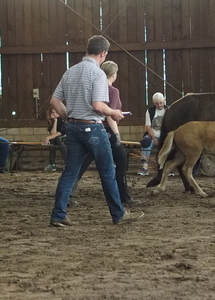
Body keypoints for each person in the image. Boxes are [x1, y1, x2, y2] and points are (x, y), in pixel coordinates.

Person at [49, 35, 143, 226]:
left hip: (73, 127)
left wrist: (68, 117)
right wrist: (114, 112)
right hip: (92, 128)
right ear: (103, 53)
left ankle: (58, 214)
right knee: (107, 171)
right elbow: (98, 106)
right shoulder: (98, 74)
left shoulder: (70, 71)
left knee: (70, 172)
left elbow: (54, 101)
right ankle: (118, 214)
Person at [73, 60, 140, 206]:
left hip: (92, 129)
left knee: (82, 164)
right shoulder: (113, 91)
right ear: (114, 74)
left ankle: (69, 193)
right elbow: (110, 116)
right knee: (121, 162)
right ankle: (124, 196)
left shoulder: (95, 88)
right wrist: (117, 136)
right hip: (107, 131)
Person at [139, 92, 168, 176]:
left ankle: (166, 168)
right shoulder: (150, 111)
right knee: (145, 142)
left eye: (161, 103)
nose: (159, 105)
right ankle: (144, 167)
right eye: (157, 103)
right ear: (153, 103)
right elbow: (148, 127)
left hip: (165, 135)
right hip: (153, 135)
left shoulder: (168, 110)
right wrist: (154, 139)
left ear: (164, 101)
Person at [43, 106, 67, 172]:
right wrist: (55, 121)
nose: (54, 114)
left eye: (56, 112)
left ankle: (67, 162)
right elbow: (53, 133)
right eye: (53, 112)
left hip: (68, 137)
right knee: (53, 139)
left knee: (58, 138)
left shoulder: (64, 120)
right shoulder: (53, 121)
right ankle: (52, 164)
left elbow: (61, 132)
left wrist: (48, 137)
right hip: (58, 139)